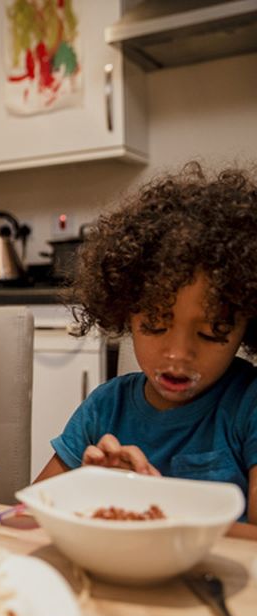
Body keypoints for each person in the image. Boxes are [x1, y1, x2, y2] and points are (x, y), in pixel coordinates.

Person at [35, 163, 257, 536]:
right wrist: (88, 493)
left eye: (210, 332)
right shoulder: (105, 408)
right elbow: (28, 516)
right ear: (125, 312)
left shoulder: (248, 405)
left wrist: (151, 505)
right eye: (155, 324)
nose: (178, 354)